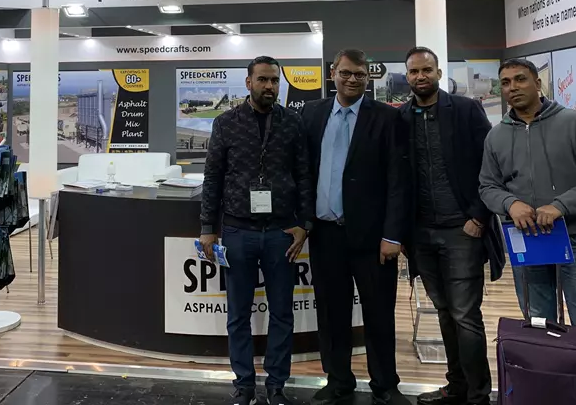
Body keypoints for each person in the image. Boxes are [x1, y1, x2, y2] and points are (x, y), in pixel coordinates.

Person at [479, 58, 576, 405]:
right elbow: (487, 186)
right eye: (505, 82)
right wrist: (510, 204)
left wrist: (561, 205)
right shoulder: (497, 135)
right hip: (527, 244)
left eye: (520, 79)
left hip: (575, 240)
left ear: (537, 83)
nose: (512, 87)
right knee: (539, 332)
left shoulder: (573, 124)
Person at [200, 55, 314, 405]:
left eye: (274, 80)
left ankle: (276, 385)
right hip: (238, 231)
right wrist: (207, 228)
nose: (269, 86)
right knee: (238, 315)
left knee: (282, 313)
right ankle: (244, 384)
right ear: (248, 83)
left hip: (281, 233)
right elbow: (213, 177)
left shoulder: (293, 122)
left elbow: (304, 176)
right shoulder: (226, 123)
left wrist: (305, 224)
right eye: (263, 79)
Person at [301, 49, 410, 405]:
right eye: (346, 73)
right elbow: (303, 171)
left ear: (368, 78)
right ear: (333, 72)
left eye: (360, 75)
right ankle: (338, 380)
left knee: (379, 314)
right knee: (331, 313)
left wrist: (392, 235)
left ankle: (385, 384)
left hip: (373, 239)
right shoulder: (312, 113)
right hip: (325, 235)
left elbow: (398, 181)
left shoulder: (387, 118)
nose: (352, 80)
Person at [399, 47, 504, 405]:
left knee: (464, 315)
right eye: (414, 72)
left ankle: (478, 395)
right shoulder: (402, 117)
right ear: (407, 76)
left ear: (438, 73)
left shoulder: (465, 110)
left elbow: (490, 165)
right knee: (444, 312)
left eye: (426, 70)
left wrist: (479, 217)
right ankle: (456, 386)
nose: (420, 77)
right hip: (421, 233)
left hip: (463, 230)